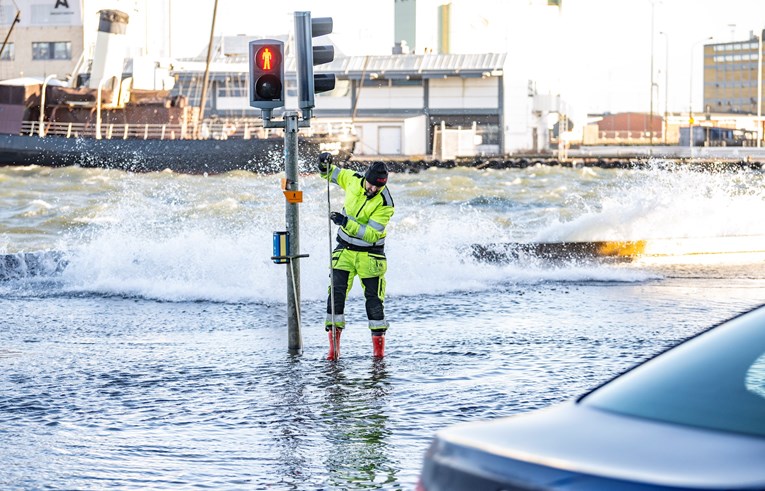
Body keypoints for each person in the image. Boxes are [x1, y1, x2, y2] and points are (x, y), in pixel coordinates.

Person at [317, 152, 394, 360]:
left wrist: (345, 222)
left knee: (374, 302)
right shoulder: (352, 179)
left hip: (370, 256)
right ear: (365, 178)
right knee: (335, 297)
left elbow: (371, 234)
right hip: (344, 251)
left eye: (378, 187)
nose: (373, 189)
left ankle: (378, 354)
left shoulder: (386, 203)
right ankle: (334, 351)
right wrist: (323, 164)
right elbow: (330, 174)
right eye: (371, 185)